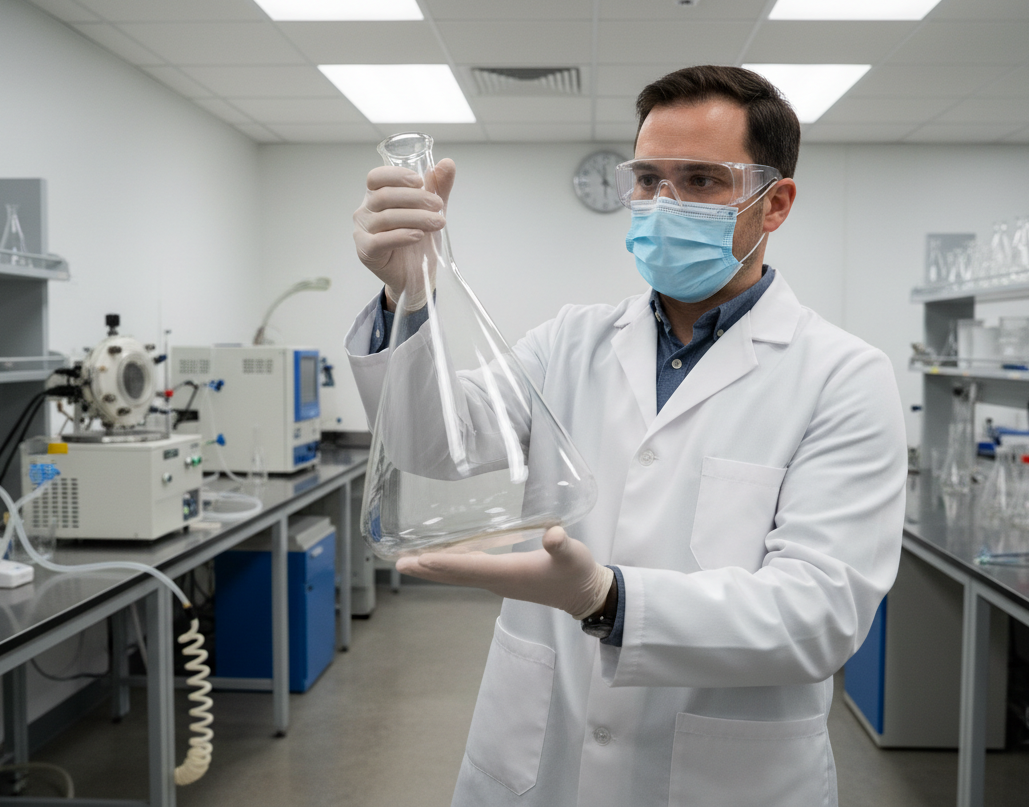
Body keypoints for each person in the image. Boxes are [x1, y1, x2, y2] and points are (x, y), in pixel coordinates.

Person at [346, 65, 905, 807]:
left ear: (774, 204)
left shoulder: (844, 376)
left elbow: (819, 616)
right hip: (542, 756)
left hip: (724, 776)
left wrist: (607, 601)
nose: (664, 203)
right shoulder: (571, 341)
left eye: (701, 180)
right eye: (647, 180)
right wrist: (405, 296)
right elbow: (433, 443)